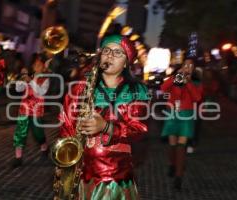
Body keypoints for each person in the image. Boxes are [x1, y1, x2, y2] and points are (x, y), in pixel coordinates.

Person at [56, 35, 150, 199]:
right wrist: (65, 163)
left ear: (127, 62)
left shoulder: (136, 91)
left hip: (115, 177)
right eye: (106, 50)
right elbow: (66, 125)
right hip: (81, 173)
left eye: (118, 53)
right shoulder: (79, 88)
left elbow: (139, 130)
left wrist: (106, 127)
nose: (110, 55)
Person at [160, 58, 203, 190]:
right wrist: (175, 76)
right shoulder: (176, 78)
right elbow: (163, 88)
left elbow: (197, 98)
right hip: (172, 114)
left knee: (181, 146)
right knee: (172, 144)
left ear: (193, 69)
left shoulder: (196, 83)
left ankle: (179, 177)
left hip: (186, 116)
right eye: (185, 65)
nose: (187, 67)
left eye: (191, 65)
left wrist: (188, 82)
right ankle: (173, 165)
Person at [12, 61, 50, 168]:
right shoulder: (28, 77)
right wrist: (22, 78)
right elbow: (18, 89)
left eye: (39, 65)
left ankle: (44, 147)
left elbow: (41, 92)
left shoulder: (45, 80)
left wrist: (31, 81)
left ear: (43, 68)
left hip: (36, 111)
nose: (36, 67)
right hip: (24, 109)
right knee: (20, 132)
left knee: (38, 133)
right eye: (35, 65)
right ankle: (18, 157)